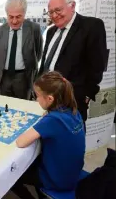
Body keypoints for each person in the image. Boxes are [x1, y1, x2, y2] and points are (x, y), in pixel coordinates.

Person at [38, 0, 107, 125]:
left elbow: (97, 66)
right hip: (48, 98)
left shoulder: (91, 26)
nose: (54, 15)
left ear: (72, 6)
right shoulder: (51, 31)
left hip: (73, 99)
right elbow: (47, 62)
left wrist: (86, 96)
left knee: (72, 138)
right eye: (51, 12)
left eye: (58, 10)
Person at [13, 71, 85, 199]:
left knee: (12, 175)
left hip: (58, 181)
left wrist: (44, 121)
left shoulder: (53, 120)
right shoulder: (74, 111)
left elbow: (21, 142)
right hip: (73, 174)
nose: (36, 99)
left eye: (38, 96)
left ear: (50, 99)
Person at [0, 0, 43, 100]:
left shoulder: (34, 29)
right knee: (4, 107)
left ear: (24, 14)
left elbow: (38, 53)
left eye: (18, 17)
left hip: (24, 77)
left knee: (23, 109)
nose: (14, 21)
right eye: (11, 17)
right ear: (6, 15)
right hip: (4, 77)